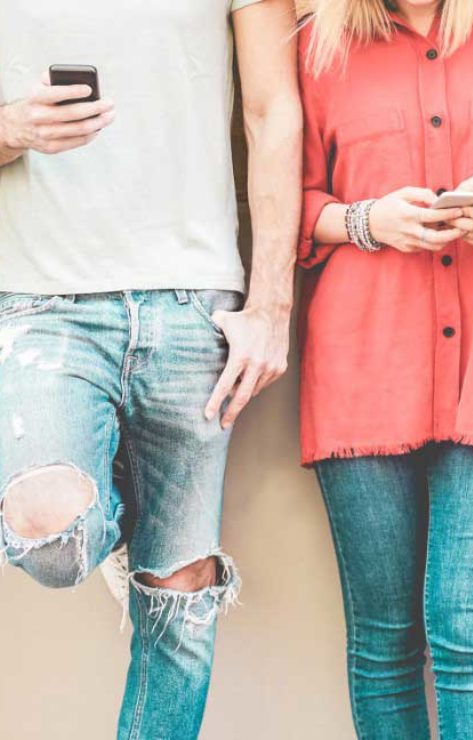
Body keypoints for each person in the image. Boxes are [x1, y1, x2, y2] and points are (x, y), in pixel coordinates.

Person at [0, 1, 301, 737]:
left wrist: (271, 305)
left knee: (179, 596)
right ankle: (120, 519)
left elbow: (273, 110)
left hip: (194, 301)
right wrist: (9, 127)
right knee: (53, 534)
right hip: (40, 304)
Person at [298, 0, 473, 736]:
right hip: (361, 372)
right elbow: (286, 204)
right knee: (386, 643)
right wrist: (368, 220)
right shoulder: (315, 44)